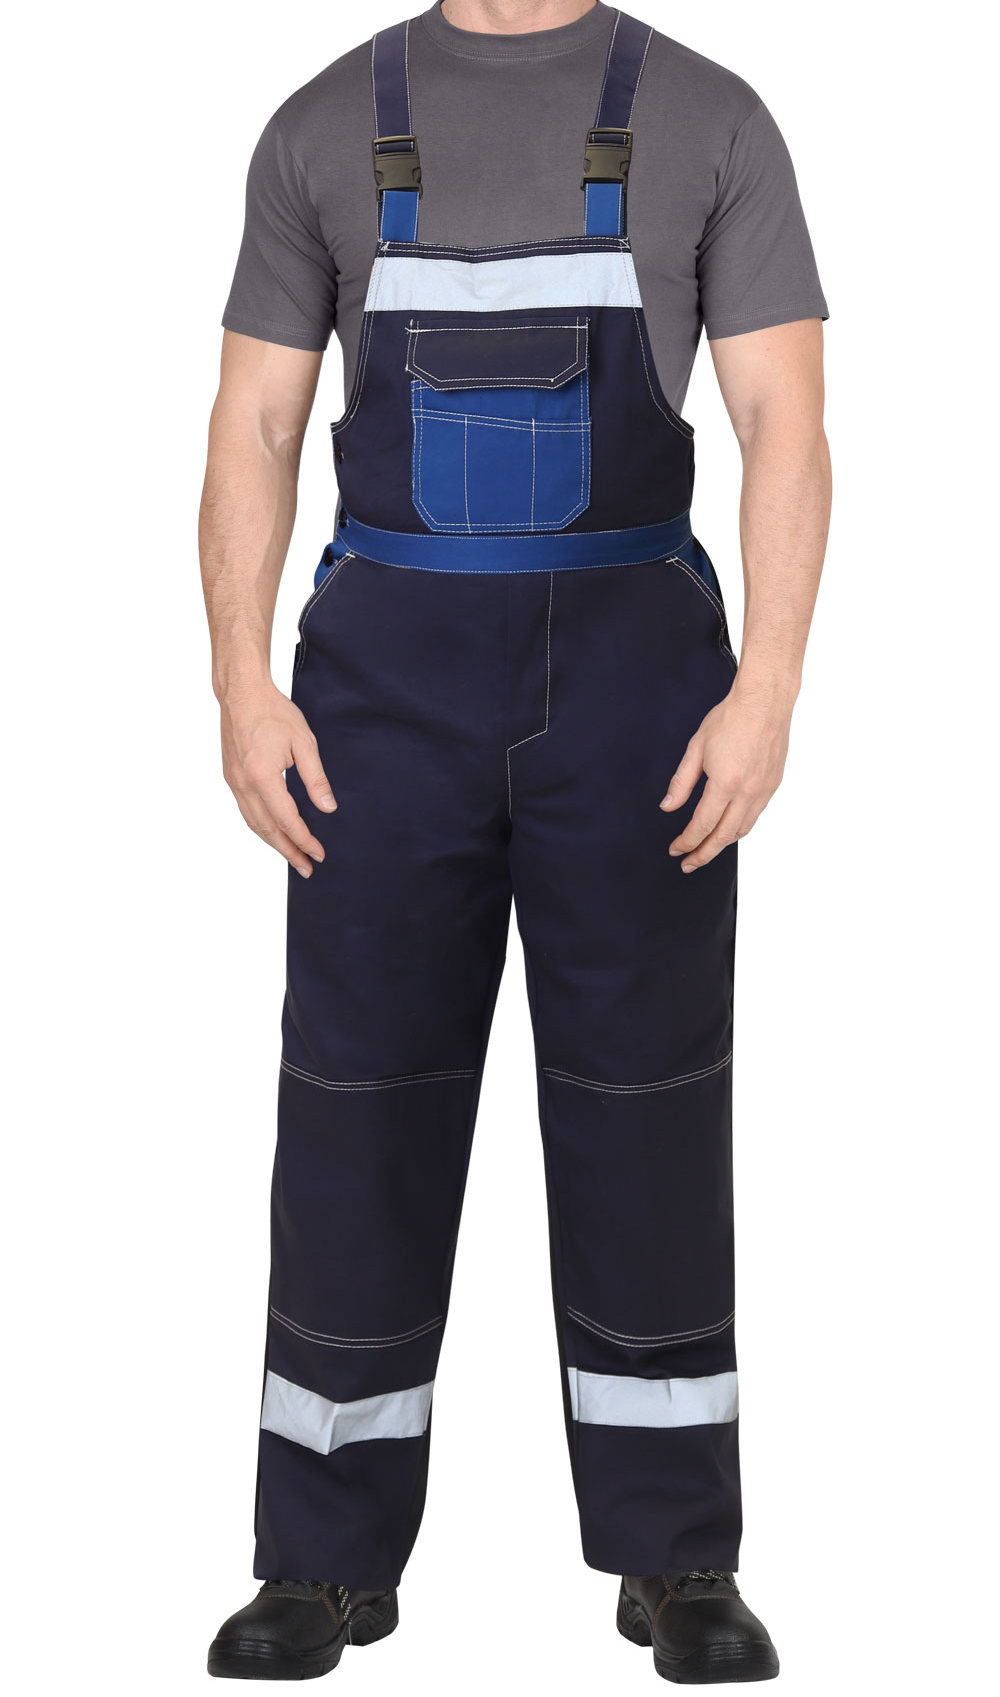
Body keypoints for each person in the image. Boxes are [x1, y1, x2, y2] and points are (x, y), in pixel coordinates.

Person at [199, 1, 830, 1682]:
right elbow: (256, 422)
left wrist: (767, 688)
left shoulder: (709, 117)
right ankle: (321, 1558)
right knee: (357, 1107)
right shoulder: (325, 123)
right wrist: (240, 684)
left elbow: (785, 416)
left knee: (646, 1106)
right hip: (379, 702)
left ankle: (677, 1555)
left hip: (639, 701)